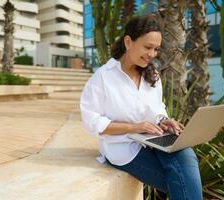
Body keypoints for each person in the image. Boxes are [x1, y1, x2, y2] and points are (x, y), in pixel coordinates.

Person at [80, 14, 202, 200]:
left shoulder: (152, 74)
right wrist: (134, 128)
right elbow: (92, 122)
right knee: (181, 181)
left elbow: (158, 107)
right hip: (123, 148)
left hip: (153, 139)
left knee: (186, 155)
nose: (152, 54)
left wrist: (164, 119)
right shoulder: (103, 78)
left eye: (156, 49)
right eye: (147, 47)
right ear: (128, 42)